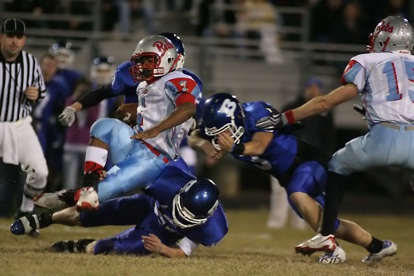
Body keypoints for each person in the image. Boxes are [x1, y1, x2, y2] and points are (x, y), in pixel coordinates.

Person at [188, 92, 396, 263]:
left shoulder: (256, 112)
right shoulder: (222, 128)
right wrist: (206, 145)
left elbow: (260, 145)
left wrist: (234, 147)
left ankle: (333, 251)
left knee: (298, 192)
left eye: (222, 132)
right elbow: (194, 136)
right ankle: (378, 246)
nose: (219, 138)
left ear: (235, 120)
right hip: (288, 177)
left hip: (307, 162)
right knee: (330, 224)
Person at [273, 16, 412, 262]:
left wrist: (286, 117)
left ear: (384, 39)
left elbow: (326, 102)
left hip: (383, 138)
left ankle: (326, 234)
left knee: (337, 165)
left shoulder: (367, 61)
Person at [52, 34, 202, 211]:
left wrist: (162, 127)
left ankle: (55, 203)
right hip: (136, 138)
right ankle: (88, 188)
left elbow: (187, 110)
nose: (141, 66)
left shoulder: (178, 79)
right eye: (142, 60)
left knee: (174, 196)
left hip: (158, 151)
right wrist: (74, 108)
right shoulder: (142, 83)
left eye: (148, 60)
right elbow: (105, 93)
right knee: (103, 126)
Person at [11, 165, 228, 258]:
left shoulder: (211, 226)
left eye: (188, 218)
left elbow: (183, 253)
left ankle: (77, 246)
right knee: (93, 212)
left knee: (113, 249)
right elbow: (131, 175)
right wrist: (110, 174)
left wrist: (163, 249)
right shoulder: (168, 182)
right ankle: (43, 219)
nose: (181, 218)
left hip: (160, 234)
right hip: (147, 205)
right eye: (181, 210)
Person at [267, 76, 335, 229]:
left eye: (316, 87)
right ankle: (276, 223)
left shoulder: (325, 114)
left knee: (305, 190)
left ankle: (301, 223)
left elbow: (328, 138)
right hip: (287, 154)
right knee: (280, 190)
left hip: (310, 157)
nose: (313, 91)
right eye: (310, 87)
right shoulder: (291, 107)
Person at [0, 18, 48, 228]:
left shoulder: (30, 62)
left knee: (40, 172)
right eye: (10, 36)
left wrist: (36, 94)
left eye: (18, 37)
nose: (14, 41)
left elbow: (42, 91)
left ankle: (26, 209)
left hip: (19, 125)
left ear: (24, 40)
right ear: (1, 37)